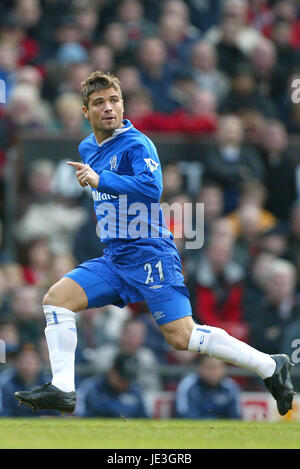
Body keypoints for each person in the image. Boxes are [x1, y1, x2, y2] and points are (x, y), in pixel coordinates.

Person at [14, 70, 295, 416]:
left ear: (123, 104)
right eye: (99, 103)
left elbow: (152, 189)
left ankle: (270, 365)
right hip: (115, 257)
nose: (108, 108)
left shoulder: (137, 143)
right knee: (56, 299)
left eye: (114, 100)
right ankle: (63, 389)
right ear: (85, 112)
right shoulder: (88, 146)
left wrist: (101, 180)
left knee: (182, 336)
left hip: (150, 253)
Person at [76, 352, 148, 418]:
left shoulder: (135, 391)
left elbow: (144, 420)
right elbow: (82, 417)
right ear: (112, 371)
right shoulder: (92, 388)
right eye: (122, 379)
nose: (125, 383)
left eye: (129, 380)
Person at [175, 356, 241, 419]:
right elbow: (185, 415)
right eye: (208, 367)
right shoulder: (188, 385)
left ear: (224, 369)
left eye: (215, 368)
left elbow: (236, 417)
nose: (212, 372)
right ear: (199, 368)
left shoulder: (230, 387)